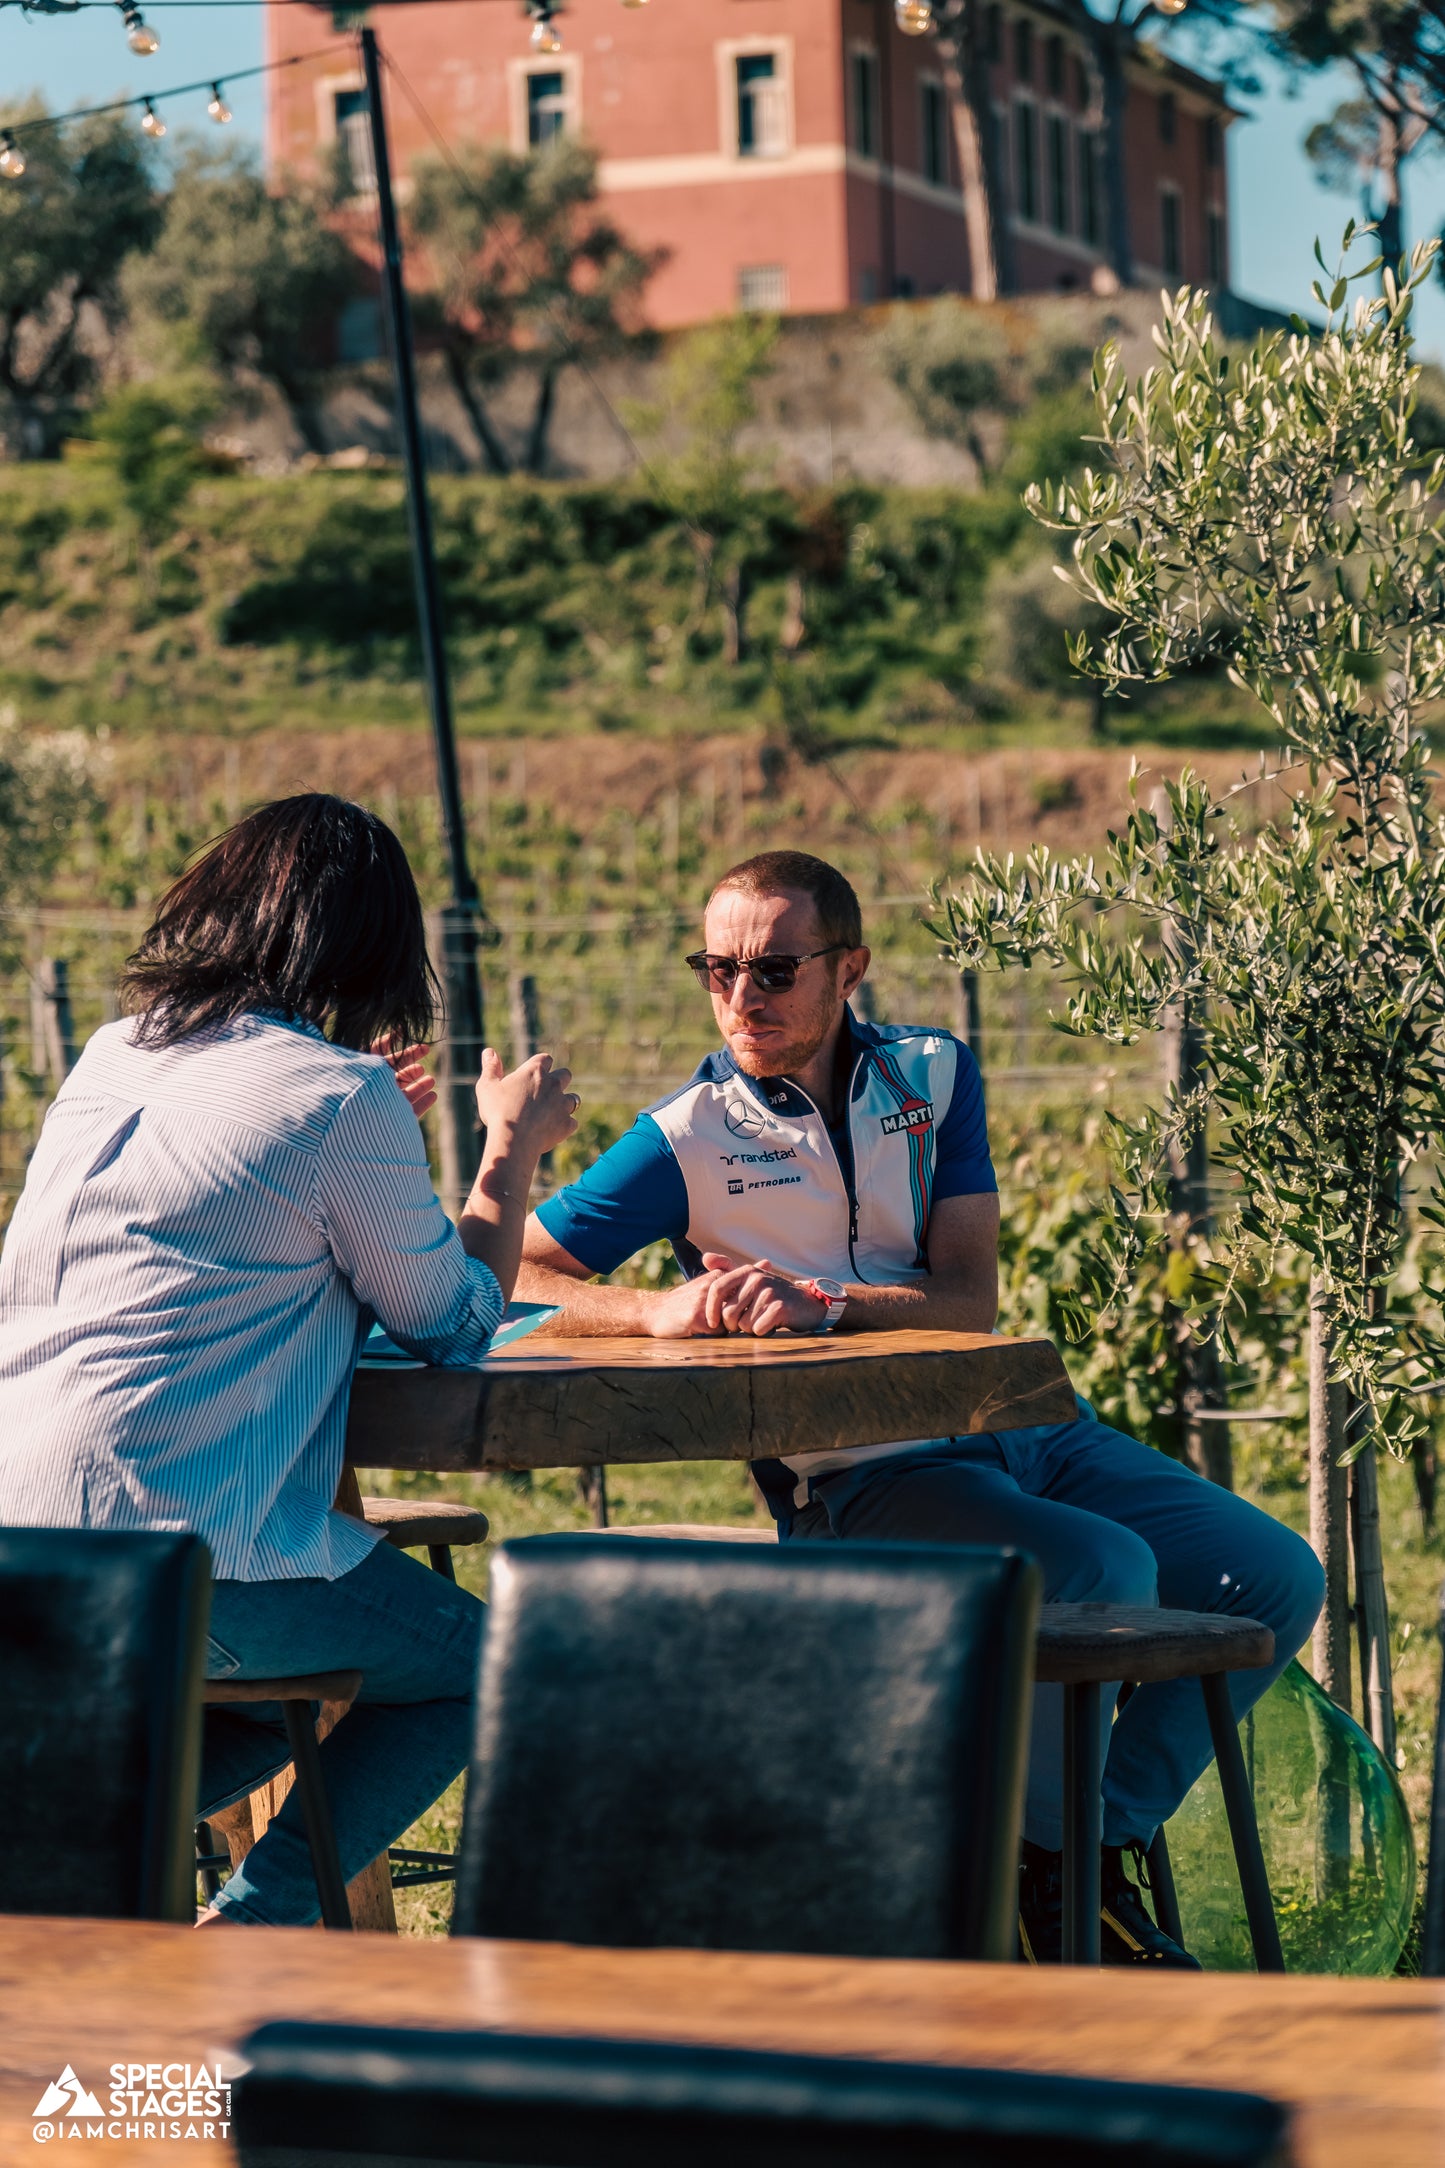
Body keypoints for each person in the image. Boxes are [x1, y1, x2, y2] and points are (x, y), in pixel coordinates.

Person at [515, 847, 1325, 1968]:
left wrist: (822, 1304)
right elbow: (513, 1271)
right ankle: (1063, 1891)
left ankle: (1070, 1855)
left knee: (1274, 1576)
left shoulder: (933, 1074)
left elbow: (964, 1296)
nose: (740, 997)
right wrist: (657, 1306)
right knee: (1096, 1571)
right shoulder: (686, 1134)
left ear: (849, 966)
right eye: (717, 969)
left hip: (1029, 1426)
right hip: (869, 1476)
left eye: (774, 968)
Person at [0, 794, 577, 1926]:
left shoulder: (117, 1052)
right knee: (486, 1662)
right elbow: (450, 1322)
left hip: (23, 1523)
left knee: (275, 1706)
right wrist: (506, 1148)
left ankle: (59, 1847)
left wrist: (362, 1123)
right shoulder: (336, 1094)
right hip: (181, 1539)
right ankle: (252, 1937)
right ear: (371, 941)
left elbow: (216, 1219)